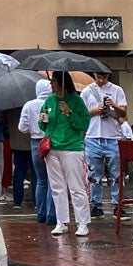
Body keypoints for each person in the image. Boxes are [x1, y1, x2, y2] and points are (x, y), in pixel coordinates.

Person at [41, 72, 91, 236]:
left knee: (76, 187)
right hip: (52, 147)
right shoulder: (49, 101)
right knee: (57, 187)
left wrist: (69, 113)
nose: (51, 84)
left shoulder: (77, 101)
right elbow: (42, 126)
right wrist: (42, 120)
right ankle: (61, 221)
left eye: (54, 81)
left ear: (62, 82)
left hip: (71, 148)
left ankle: (82, 222)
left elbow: (83, 124)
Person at [81, 71, 128, 218]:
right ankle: (96, 204)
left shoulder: (117, 90)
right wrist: (95, 111)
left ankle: (117, 204)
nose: (101, 80)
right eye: (99, 77)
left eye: (104, 77)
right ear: (94, 75)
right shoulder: (87, 91)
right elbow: (81, 113)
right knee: (94, 173)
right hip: (93, 135)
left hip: (112, 136)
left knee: (116, 173)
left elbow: (123, 113)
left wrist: (113, 105)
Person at [17, 79, 56, 226]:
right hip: (52, 141)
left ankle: (41, 214)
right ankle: (52, 215)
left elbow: (22, 128)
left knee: (41, 180)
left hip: (35, 143)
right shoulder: (53, 103)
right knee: (53, 180)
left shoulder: (29, 105)